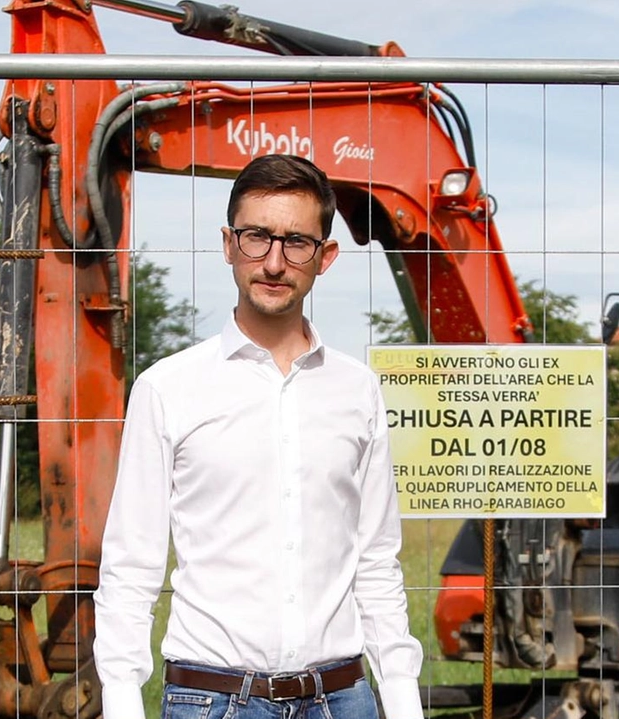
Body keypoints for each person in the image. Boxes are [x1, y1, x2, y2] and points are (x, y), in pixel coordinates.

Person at [92, 154, 424, 719]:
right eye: (256, 237)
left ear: (326, 257)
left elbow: (376, 560)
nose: (274, 262)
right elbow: (131, 565)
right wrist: (122, 702)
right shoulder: (167, 387)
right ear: (228, 244)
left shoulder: (357, 390)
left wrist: (401, 699)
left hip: (344, 699)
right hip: (213, 700)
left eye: (296, 242)